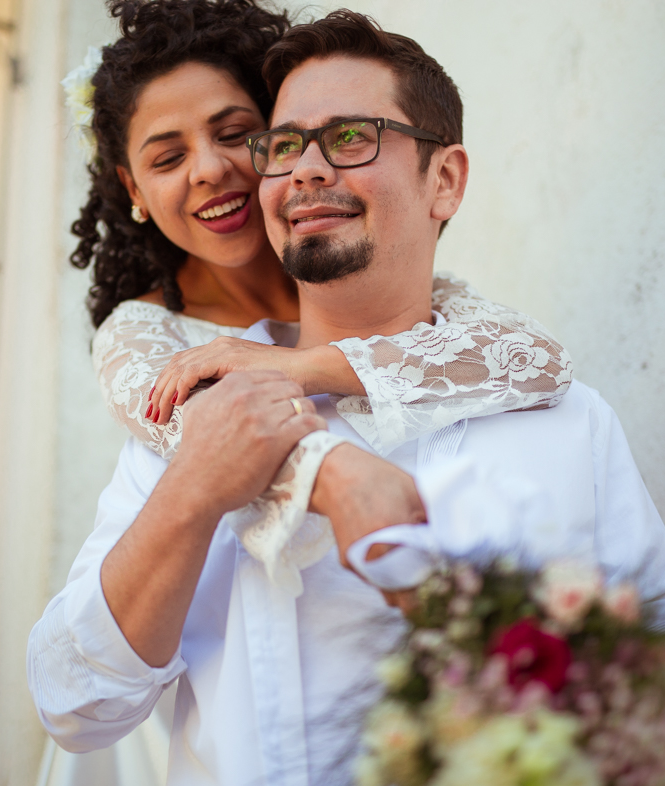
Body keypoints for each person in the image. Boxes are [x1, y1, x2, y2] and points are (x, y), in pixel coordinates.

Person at [30, 9, 665, 786]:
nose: (303, 170)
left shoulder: (562, 415)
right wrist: (210, 483)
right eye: (285, 146)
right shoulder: (185, 408)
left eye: (349, 139)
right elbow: (75, 703)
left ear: (444, 180)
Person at [66, 0, 577, 584]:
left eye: (234, 134)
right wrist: (336, 476)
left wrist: (307, 366)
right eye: (168, 157)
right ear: (132, 187)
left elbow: (536, 358)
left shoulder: (350, 270)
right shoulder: (141, 334)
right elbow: (211, 437)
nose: (207, 169)